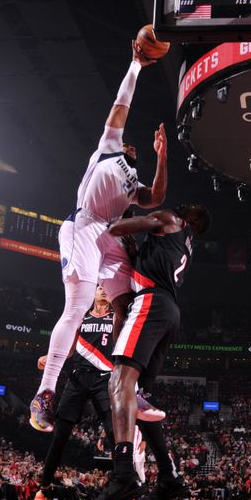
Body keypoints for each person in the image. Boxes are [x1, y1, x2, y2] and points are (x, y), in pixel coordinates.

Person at [30, 40, 168, 433]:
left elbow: (156, 197)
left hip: (112, 236)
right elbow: (120, 107)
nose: (127, 142)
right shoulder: (106, 149)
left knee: (130, 305)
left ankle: (127, 384)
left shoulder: (133, 185)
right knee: (77, 306)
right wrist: (136, 66)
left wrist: (163, 156)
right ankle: (44, 392)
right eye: (125, 140)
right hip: (85, 226)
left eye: (132, 146)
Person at [79, 205, 210, 500]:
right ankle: (168, 475)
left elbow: (117, 229)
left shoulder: (169, 219)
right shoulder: (184, 245)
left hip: (150, 302)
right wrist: (137, 252)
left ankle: (122, 474)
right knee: (139, 402)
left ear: (193, 220)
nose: (183, 205)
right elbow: (149, 258)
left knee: (119, 383)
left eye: (189, 207)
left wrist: (111, 216)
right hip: (169, 311)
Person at [26, 286, 143, 500]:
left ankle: (125, 492)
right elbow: (68, 349)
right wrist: (49, 357)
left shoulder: (117, 316)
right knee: (60, 436)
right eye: (98, 287)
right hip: (78, 378)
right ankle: (42, 492)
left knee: (116, 435)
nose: (102, 291)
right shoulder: (81, 316)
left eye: (105, 288)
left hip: (105, 379)